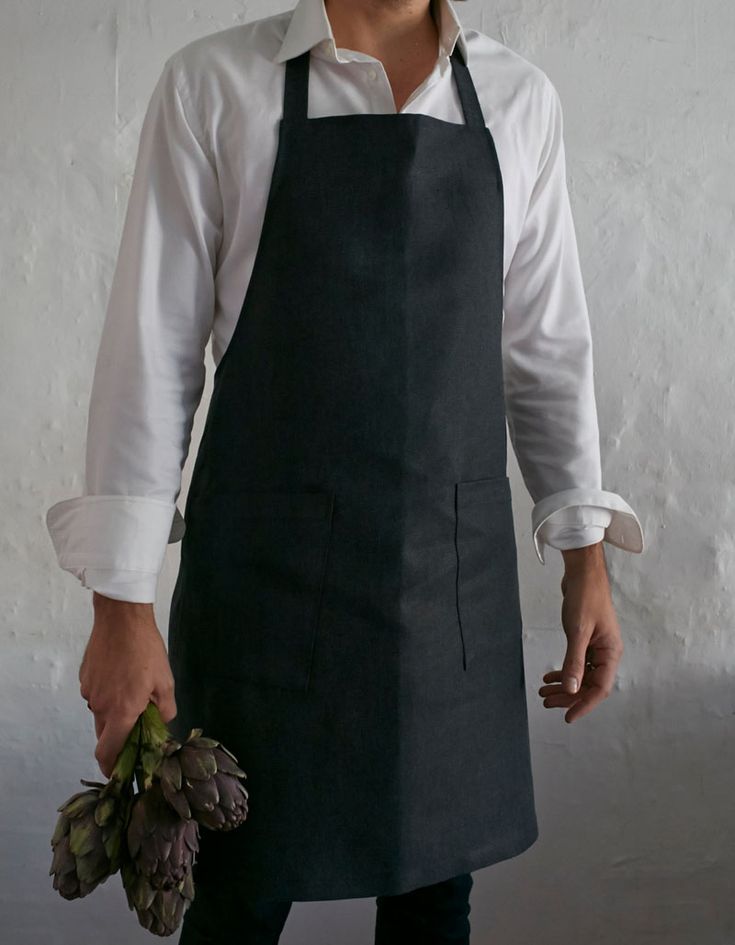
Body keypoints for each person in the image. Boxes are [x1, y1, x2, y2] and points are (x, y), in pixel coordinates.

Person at [45, 0, 645, 941]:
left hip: (449, 581)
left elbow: (545, 349)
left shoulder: (519, 100)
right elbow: (149, 355)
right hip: (265, 588)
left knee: (435, 897)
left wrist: (585, 553)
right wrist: (120, 609)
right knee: (237, 891)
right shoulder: (214, 84)